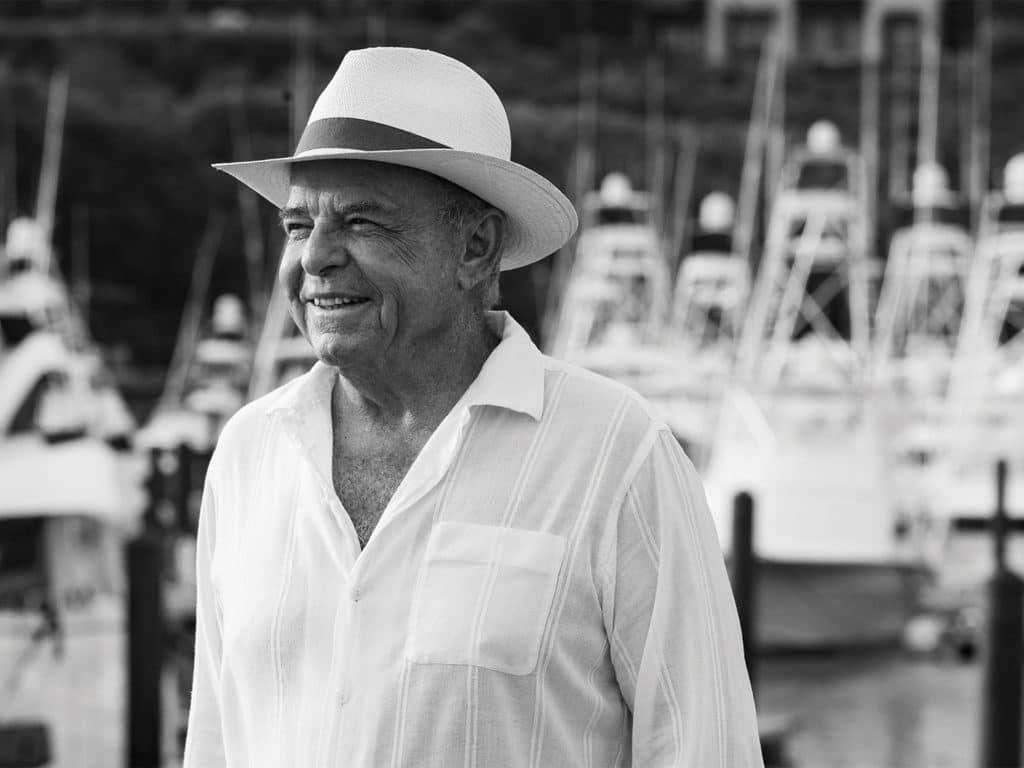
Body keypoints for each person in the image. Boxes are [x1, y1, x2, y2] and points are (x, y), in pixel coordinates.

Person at [184, 46, 762, 767]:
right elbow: (213, 743)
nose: (316, 257)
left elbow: (704, 747)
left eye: (362, 222)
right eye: (299, 226)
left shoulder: (616, 452)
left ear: (477, 247)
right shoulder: (248, 452)